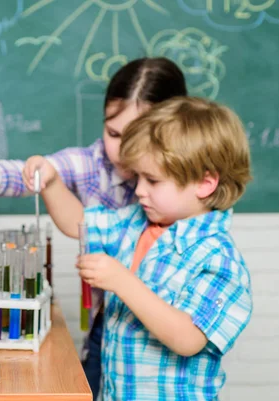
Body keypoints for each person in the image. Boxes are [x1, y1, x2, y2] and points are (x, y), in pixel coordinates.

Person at [0, 56, 187, 399]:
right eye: (113, 133)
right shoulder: (93, 163)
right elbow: (41, 179)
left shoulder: (188, 186)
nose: (123, 149)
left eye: (138, 136)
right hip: (107, 326)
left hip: (170, 331)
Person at [38, 96, 253, 399]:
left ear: (205, 184)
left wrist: (122, 281)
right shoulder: (136, 222)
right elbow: (79, 222)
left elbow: (187, 338)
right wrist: (51, 183)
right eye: (138, 177)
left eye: (152, 180)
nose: (139, 190)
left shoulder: (218, 258)